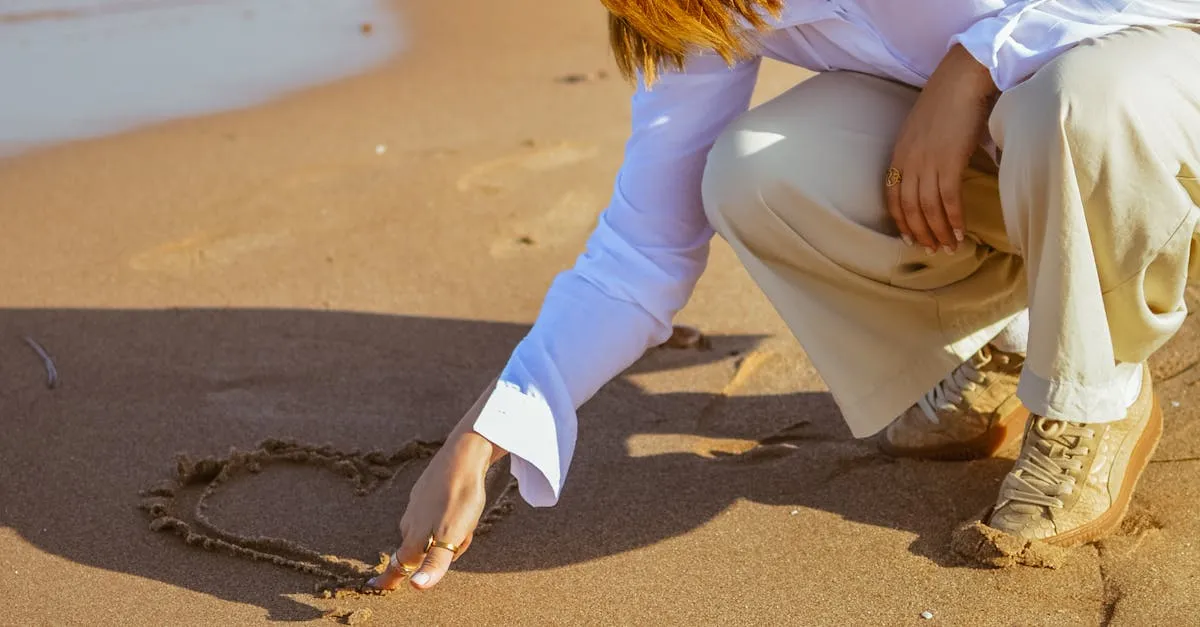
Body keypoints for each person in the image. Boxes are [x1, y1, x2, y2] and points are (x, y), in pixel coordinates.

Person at [370, 1, 1200, 591]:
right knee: (754, 173)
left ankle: (1095, 393)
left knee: (1077, 104)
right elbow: (640, 252)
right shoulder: (692, 6)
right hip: (1025, 144)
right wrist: (483, 436)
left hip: (1155, 68)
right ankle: (1007, 336)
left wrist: (977, 60)